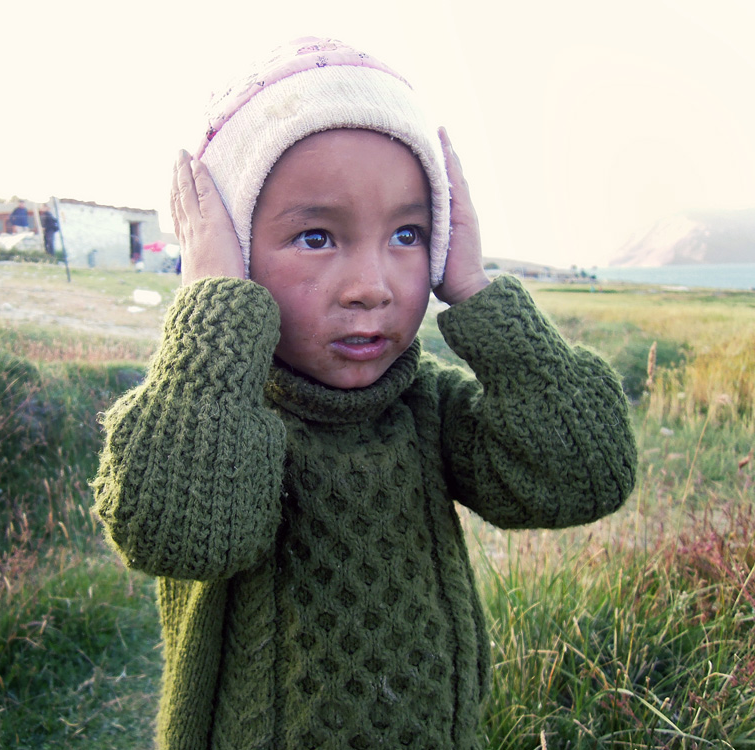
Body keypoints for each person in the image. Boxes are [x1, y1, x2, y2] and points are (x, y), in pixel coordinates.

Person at [92, 37, 636, 749]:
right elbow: (182, 533)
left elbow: (587, 476)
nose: (372, 287)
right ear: (229, 250)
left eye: (408, 234)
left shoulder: (427, 410)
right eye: (317, 237)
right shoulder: (214, 414)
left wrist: (473, 289)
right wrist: (215, 306)